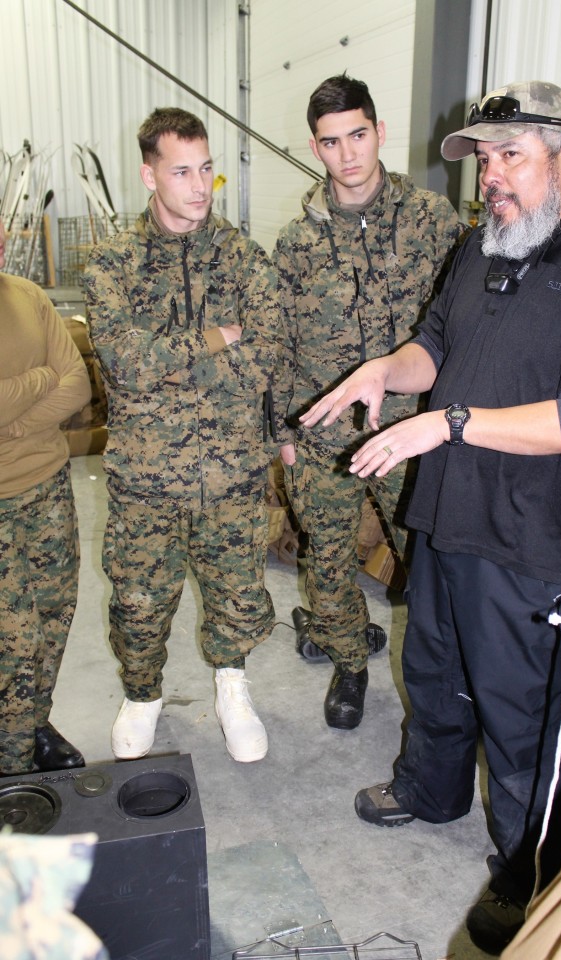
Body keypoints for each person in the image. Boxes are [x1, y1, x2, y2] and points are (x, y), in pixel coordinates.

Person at [300, 80, 561, 953]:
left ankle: (532, 869)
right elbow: (436, 346)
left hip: (527, 543)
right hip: (443, 514)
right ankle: (431, 789)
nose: (489, 176)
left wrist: (445, 422)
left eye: (509, 156)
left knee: (523, 718)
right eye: (483, 159)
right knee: (434, 673)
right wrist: (383, 371)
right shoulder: (481, 244)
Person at [83, 107, 282, 764]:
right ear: (149, 174)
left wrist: (172, 366)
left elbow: (267, 358)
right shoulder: (113, 264)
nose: (200, 186)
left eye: (207, 169)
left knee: (236, 589)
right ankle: (142, 694)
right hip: (144, 479)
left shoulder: (244, 258)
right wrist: (216, 340)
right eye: (182, 171)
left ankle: (231, 686)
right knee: (138, 597)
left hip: (230, 474)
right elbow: (123, 363)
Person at [273, 75, 464, 729]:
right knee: (325, 556)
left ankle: (442, 680)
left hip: (407, 430)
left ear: (380, 132)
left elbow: (461, 327)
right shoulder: (296, 243)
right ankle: (350, 662)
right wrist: (284, 431)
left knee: (428, 555)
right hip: (324, 433)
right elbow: (276, 343)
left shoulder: (432, 221)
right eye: (332, 142)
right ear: (314, 147)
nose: (348, 154)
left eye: (358, 135)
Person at [0, 216, 91, 777]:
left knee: (55, 612)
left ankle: (32, 721)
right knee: (13, 634)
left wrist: (12, 421)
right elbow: (53, 383)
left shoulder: (28, 296)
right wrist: (38, 382)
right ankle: (10, 763)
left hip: (49, 485)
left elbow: (78, 382)